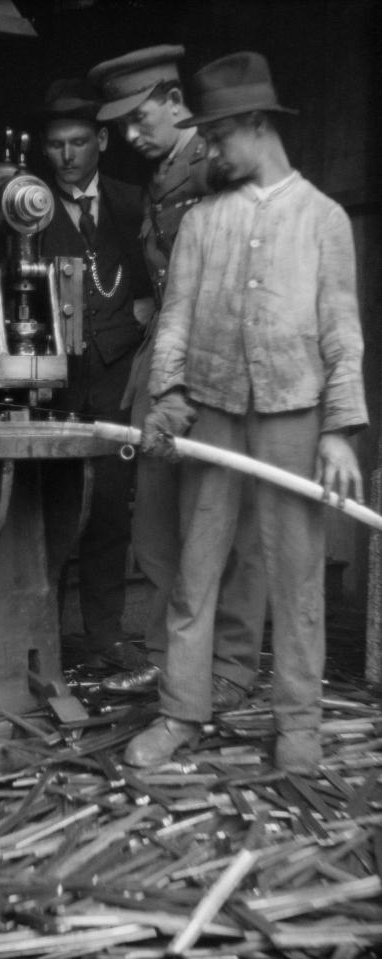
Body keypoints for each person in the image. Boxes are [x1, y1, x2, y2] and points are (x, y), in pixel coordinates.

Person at [120, 52, 368, 773]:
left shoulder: (322, 219)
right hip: (212, 413)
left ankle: (298, 722)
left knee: (296, 580)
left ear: (257, 126)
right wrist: (168, 396)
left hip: (293, 413)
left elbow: (340, 332)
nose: (211, 149)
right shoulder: (201, 222)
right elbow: (173, 320)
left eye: (219, 135)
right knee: (194, 575)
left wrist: (339, 431)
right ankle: (180, 712)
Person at [87, 46, 267, 709]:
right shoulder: (163, 171)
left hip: (219, 365)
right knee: (155, 526)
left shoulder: (216, 162)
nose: (129, 136)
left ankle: (230, 667)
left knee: (231, 526)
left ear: (173, 101)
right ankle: (172, 662)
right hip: (162, 365)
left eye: (138, 118)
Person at [37, 78, 152, 672]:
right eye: (56, 144)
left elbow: (161, 281)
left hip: (116, 380)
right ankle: (44, 646)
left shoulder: (135, 204)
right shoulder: (24, 204)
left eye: (79, 142)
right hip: (51, 384)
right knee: (49, 516)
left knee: (109, 512)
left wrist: (149, 309)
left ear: (101, 141)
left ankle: (105, 639)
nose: (67, 155)